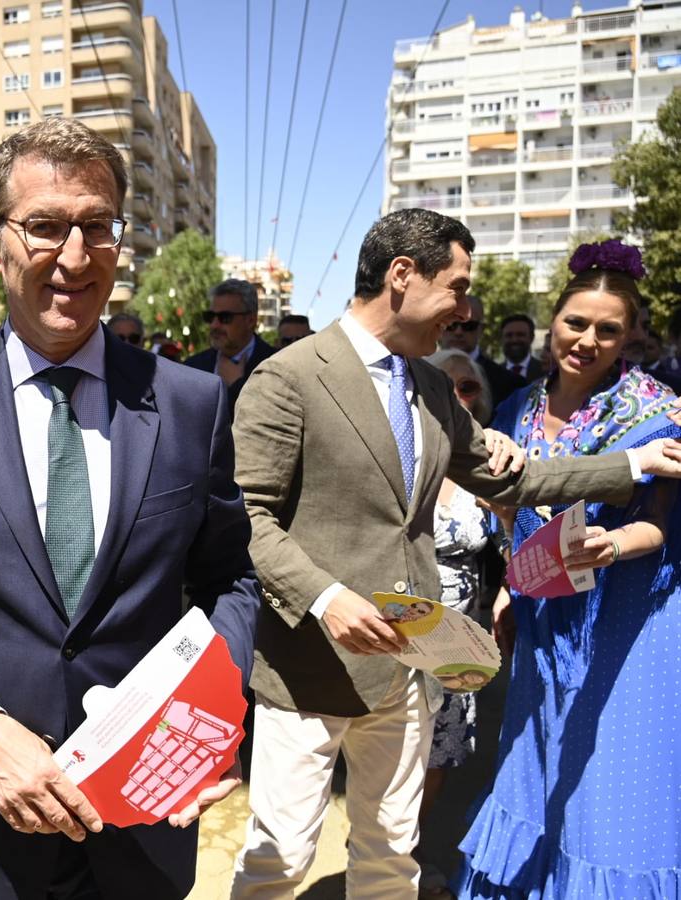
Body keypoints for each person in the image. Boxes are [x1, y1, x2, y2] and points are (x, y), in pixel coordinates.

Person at [0, 117, 260, 900]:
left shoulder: (189, 403)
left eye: (96, 227)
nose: (74, 258)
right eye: (43, 227)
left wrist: (214, 707)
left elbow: (229, 583)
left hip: (148, 817)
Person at [228, 209, 681, 898]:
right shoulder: (289, 376)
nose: (465, 307)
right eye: (458, 287)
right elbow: (250, 521)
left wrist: (629, 465)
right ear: (402, 276)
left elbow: (519, 478)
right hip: (308, 667)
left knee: (389, 855)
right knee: (280, 862)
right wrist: (325, 598)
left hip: (408, 663)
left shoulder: (432, 386)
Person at [460, 241, 681, 899]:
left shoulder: (660, 414)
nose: (586, 340)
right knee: (538, 767)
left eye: (607, 329)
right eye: (575, 323)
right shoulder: (515, 408)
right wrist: (510, 584)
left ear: (631, 334)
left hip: (627, 624)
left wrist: (611, 547)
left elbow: (663, 528)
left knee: (610, 785)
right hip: (542, 613)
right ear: (552, 319)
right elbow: (512, 514)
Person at [419, 348, 510, 896]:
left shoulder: (486, 468)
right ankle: (376, 854)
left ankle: (407, 854)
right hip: (396, 631)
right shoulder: (403, 453)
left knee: (439, 757)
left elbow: (514, 542)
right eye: (443, 385)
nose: (456, 397)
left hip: (457, 643)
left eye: (468, 388)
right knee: (391, 754)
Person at [185, 279, 275, 404]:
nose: (214, 325)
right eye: (210, 317)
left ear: (250, 320)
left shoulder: (276, 365)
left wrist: (236, 384)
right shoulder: (192, 367)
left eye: (225, 317)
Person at [440, 295, 525, 406]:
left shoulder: (510, 383)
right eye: (451, 324)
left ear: (481, 330)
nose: (458, 332)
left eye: (468, 325)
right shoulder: (419, 373)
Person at [499, 313, 543, 381]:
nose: (514, 340)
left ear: (531, 338)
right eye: (509, 335)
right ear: (502, 338)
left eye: (520, 335)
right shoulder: (493, 374)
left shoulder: (545, 372)